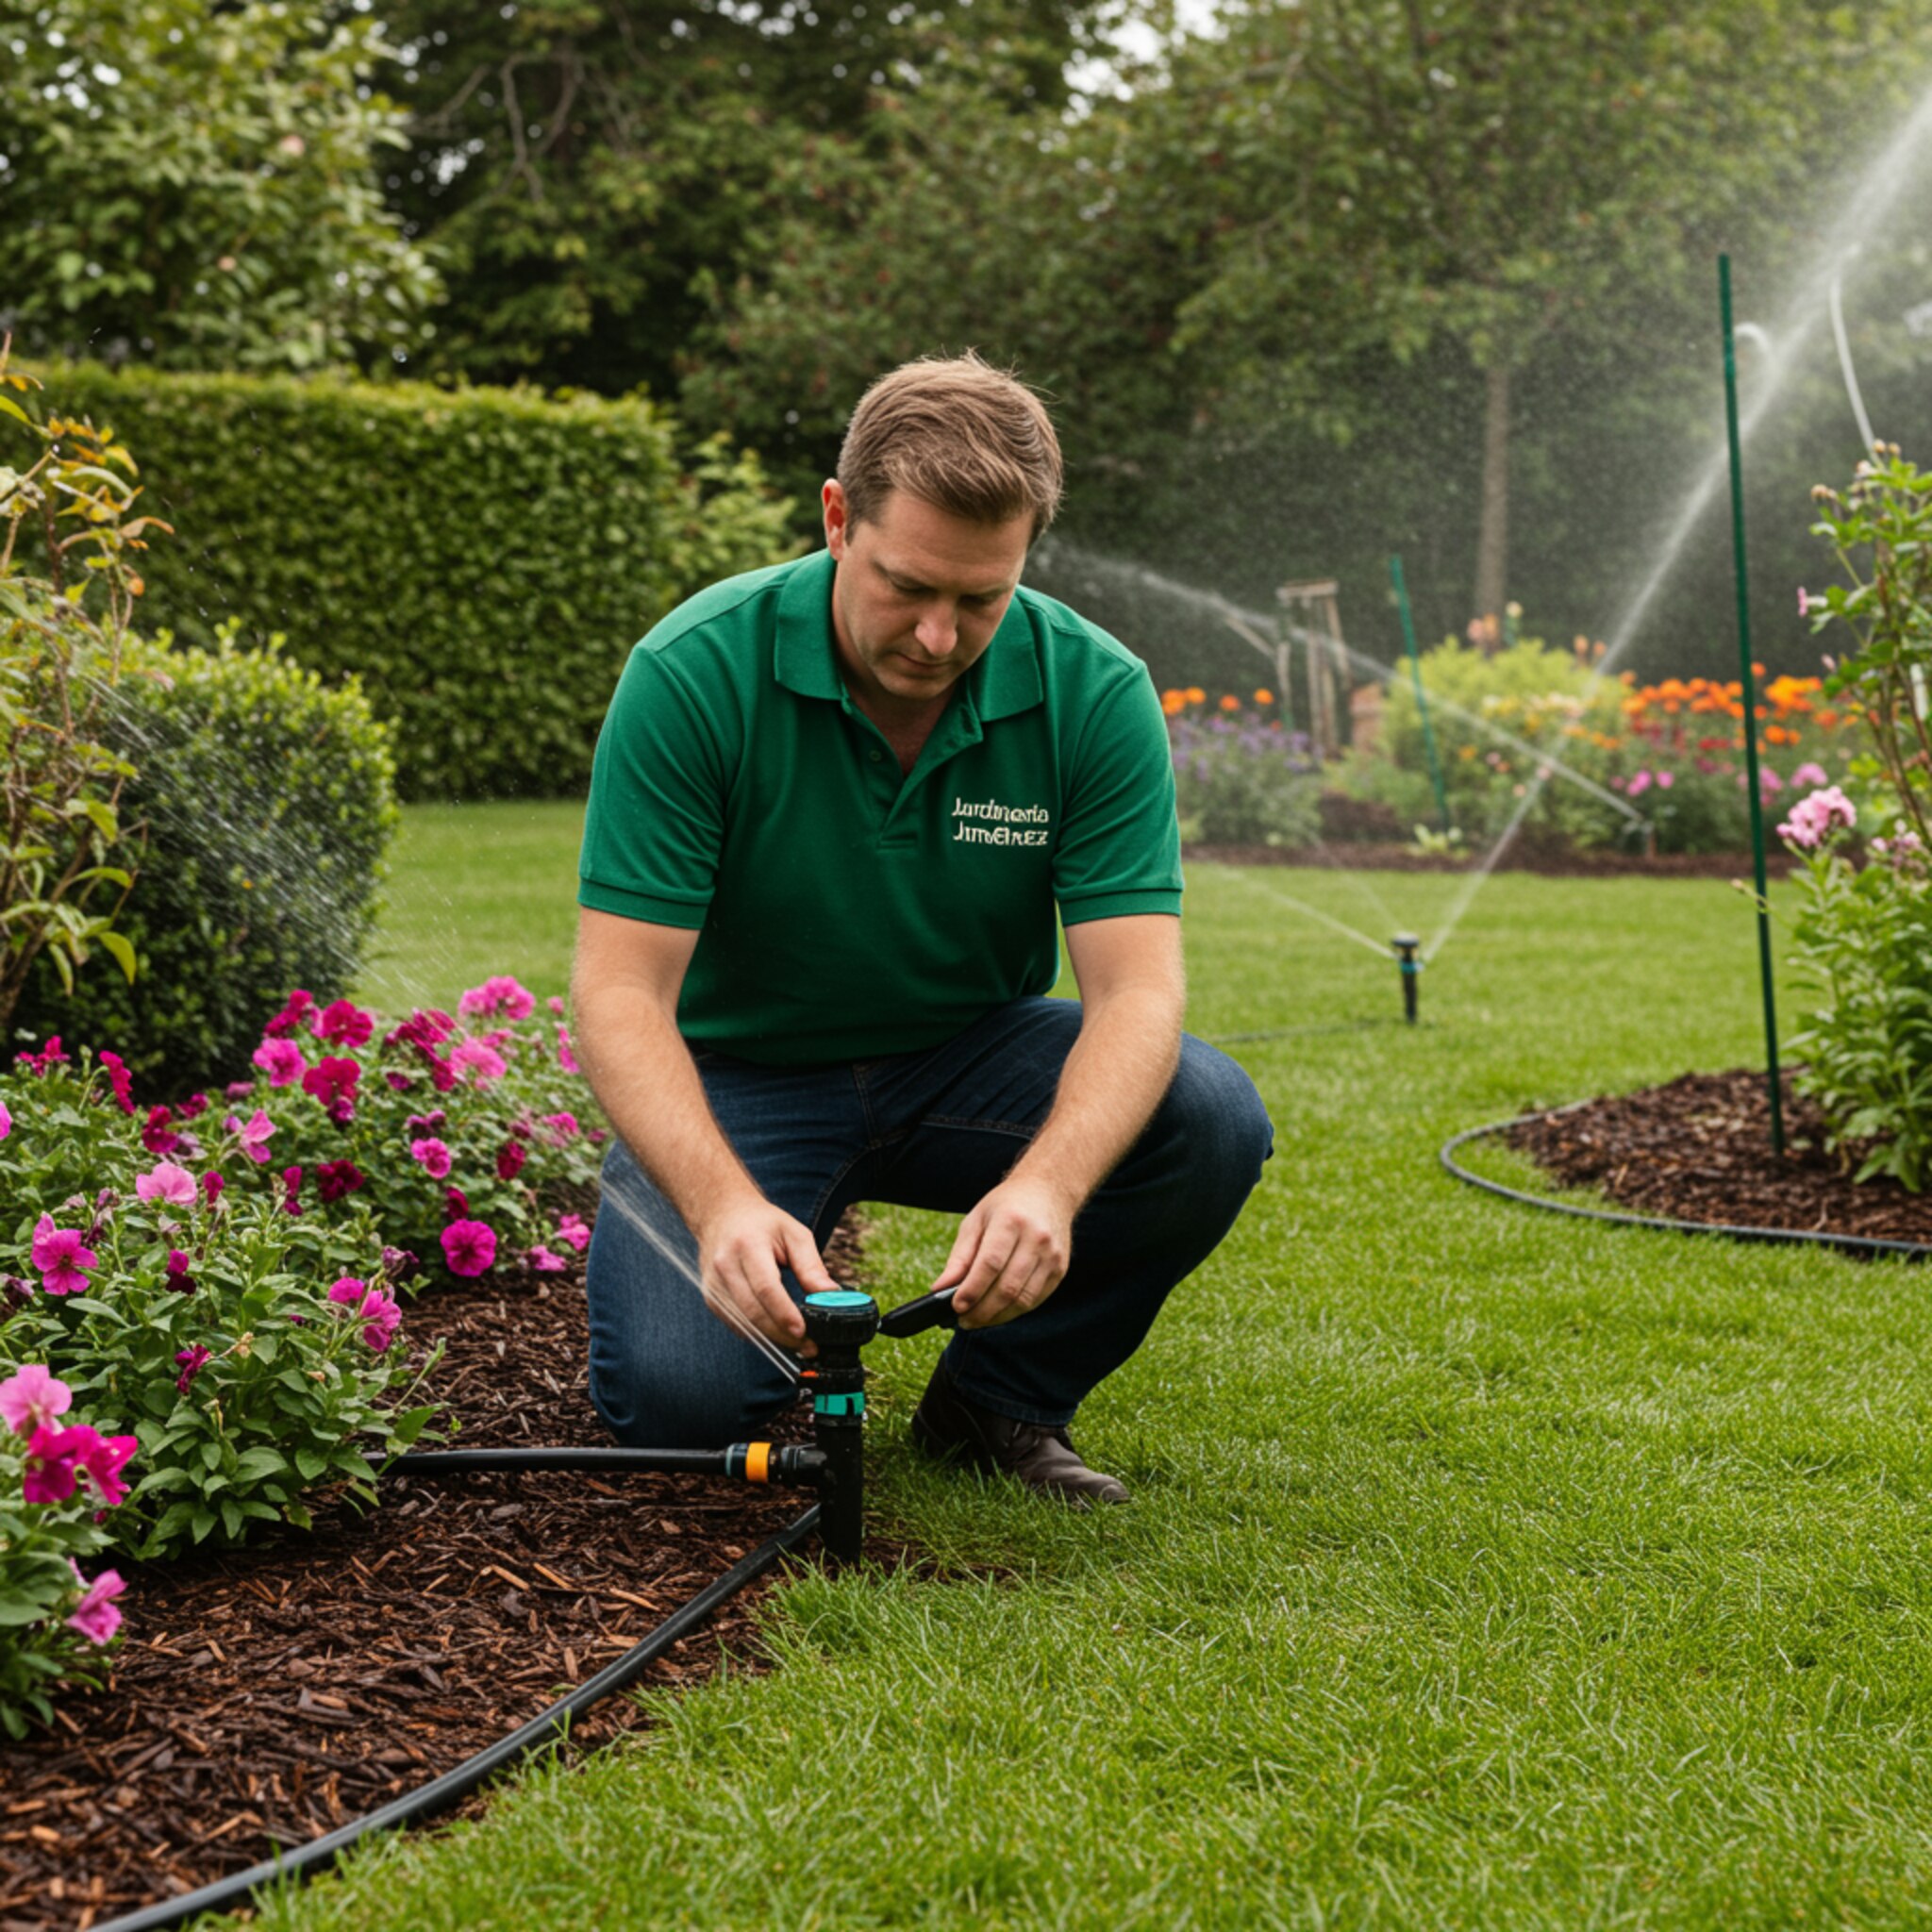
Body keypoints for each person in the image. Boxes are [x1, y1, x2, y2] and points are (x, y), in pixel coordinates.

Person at [571, 353, 1273, 1507]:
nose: (939, 637)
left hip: (968, 1056)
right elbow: (618, 993)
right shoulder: (694, 670)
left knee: (1206, 1115)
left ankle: (996, 1400)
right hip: (743, 1074)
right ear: (838, 520)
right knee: (678, 1407)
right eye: (908, 586)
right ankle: (744, 1274)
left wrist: (1046, 1186)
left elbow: (1138, 993)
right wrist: (721, 1205)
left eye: (980, 599)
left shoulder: (1093, 691)